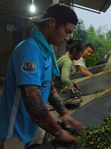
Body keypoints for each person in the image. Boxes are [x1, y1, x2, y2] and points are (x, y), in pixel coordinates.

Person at [0, 3, 84, 148]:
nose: (67, 38)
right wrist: (58, 132)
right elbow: (33, 103)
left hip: (31, 130)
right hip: (13, 134)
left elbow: (48, 86)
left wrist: (64, 113)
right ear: (52, 23)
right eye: (66, 31)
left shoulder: (47, 52)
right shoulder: (29, 50)